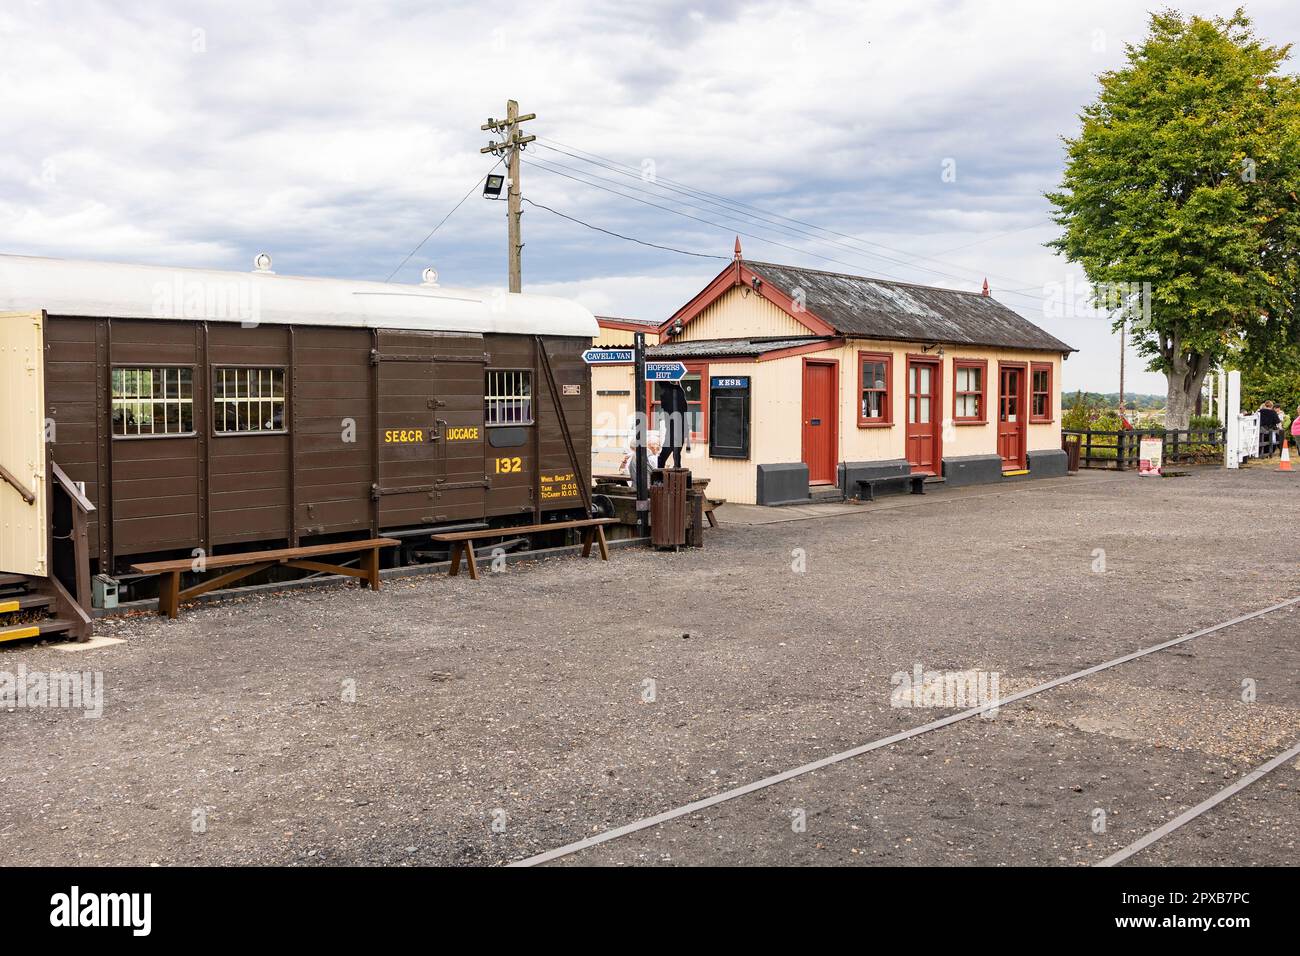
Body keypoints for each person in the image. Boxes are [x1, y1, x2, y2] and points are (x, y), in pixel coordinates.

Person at [656, 380, 690, 470]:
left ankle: (660, 476)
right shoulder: (678, 390)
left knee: (663, 456)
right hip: (680, 426)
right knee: (676, 453)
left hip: (674, 427)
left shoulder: (667, 392)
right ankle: (676, 468)